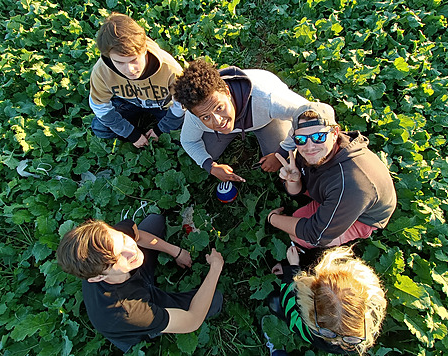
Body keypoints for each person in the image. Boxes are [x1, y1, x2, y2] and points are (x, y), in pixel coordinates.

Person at [56, 214, 223, 352]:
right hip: (134, 321)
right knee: (213, 301)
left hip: (131, 277)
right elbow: (192, 321)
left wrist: (176, 251)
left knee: (154, 221)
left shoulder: (107, 240)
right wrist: (215, 268)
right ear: (98, 278)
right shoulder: (128, 310)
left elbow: (136, 235)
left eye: (122, 239)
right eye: (116, 259)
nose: (131, 250)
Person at [267, 102, 397, 249]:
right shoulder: (311, 152)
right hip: (331, 193)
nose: (309, 147)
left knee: (300, 237)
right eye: (301, 139)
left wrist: (273, 219)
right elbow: (298, 191)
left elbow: (316, 235)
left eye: (319, 136)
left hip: (362, 217)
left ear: (335, 134)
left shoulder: (352, 184)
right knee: (297, 218)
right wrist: (293, 182)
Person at [172, 59, 309, 182]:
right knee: (207, 153)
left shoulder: (268, 98)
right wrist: (211, 166)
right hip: (237, 121)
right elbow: (188, 141)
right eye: (206, 117)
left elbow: (309, 114)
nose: (218, 121)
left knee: (287, 159)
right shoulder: (196, 113)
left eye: (219, 107)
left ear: (226, 92)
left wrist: (281, 152)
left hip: (268, 119)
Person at [266, 245, 387, 355]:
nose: (335, 341)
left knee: (275, 301)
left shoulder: (310, 331)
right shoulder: (367, 327)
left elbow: (290, 310)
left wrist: (292, 270)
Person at [89, 13, 184, 148]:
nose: (130, 69)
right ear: (108, 57)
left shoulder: (170, 68)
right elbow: (100, 106)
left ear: (144, 49)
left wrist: (160, 130)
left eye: (134, 60)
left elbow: (181, 105)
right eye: (119, 62)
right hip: (127, 102)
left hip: (162, 105)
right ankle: (135, 127)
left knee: (183, 129)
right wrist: (132, 134)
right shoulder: (101, 71)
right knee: (100, 128)